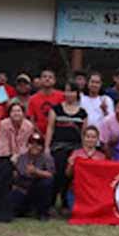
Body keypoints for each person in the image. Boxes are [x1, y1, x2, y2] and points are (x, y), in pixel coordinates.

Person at [46, 82, 87, 215]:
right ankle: (51, 203)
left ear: (77, 94)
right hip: (58, 147)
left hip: (75, 148)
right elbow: (50, 128)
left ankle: (65, 203)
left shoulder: (82, 113)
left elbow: (84, 133)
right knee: (57, 174)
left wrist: (84, 150)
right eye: (67, 91)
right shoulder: (56, 109)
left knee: (69, 177)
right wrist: (47, 147)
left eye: (72, 92)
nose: (69, 94)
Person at [10, 135, 55, 221]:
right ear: (28, 145)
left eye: (38, 144)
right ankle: (24, 210)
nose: (35, 147)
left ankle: (43, 213)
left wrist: (36, 171)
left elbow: (50, 175)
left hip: (38, 188)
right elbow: (16, 174)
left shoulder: (47, 158)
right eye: (32, 143)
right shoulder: (21, 157)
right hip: (22, 188)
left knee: (47, 182)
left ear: (42, 147)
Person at [66, 126, 107, 207]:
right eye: (88, 137)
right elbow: (68, 174)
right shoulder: (76, 154)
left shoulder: (101, 156)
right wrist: (71, 165)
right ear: (83, 138)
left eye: (93, 137)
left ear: (97, 139)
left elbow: (103, 177)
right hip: (77, 191)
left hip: (94, 191)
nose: (90, 139)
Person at [26, 69, 65, 135]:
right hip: (39, 134)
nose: (47, 79)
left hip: (59, 134)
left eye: (50, 77)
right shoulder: (33, 99)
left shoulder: (62, 96)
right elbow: (32, 120)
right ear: (40, 80)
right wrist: (40, 135)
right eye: (44, 77)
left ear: (54, 81)